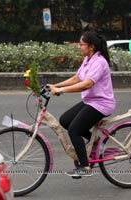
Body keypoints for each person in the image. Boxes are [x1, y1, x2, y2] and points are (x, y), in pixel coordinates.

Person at [47, 31, 116, 177]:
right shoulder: (88, 59)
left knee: (74, 130)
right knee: (65, 120)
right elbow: (77, 78)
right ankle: (95, 139)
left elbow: (86, 84)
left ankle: (85, 167)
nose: (79, 47)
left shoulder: (99, 62)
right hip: (90, 101)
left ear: (91, 46)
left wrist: (61, 90)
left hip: (101, 104)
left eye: (81, 44)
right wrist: (55, 85)